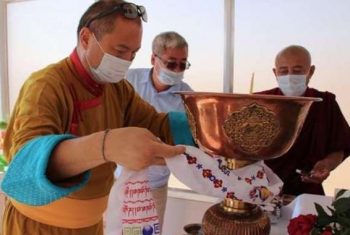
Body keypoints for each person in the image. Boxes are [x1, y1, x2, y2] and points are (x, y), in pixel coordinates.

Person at [0, 1, 193, 234]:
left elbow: (157, 124)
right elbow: (25, 166)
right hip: (38, 226)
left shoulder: (118, 89)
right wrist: (105, 146)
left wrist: (210, 125)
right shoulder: (47, 85)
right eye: (120, 51)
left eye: (133, 54)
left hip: (89, 225)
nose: (126, 61)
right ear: (85, 38)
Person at [112, 31, 193, 228]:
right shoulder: (127, 81)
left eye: (183, 65)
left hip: (155, 186)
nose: (177, 70)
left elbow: (190, 142)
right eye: (171, 63)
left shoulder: (188, 97)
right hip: (118, 181)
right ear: (153, 58)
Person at [256, 45, 350, 196]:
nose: (290, 76)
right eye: (284, 71)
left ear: (310, 71)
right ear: (275, 72)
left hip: (307, 191)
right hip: (261, 189)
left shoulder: (325, 103)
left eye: (297, 71)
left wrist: (326, 165)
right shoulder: (260, 102)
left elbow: (339, 147)